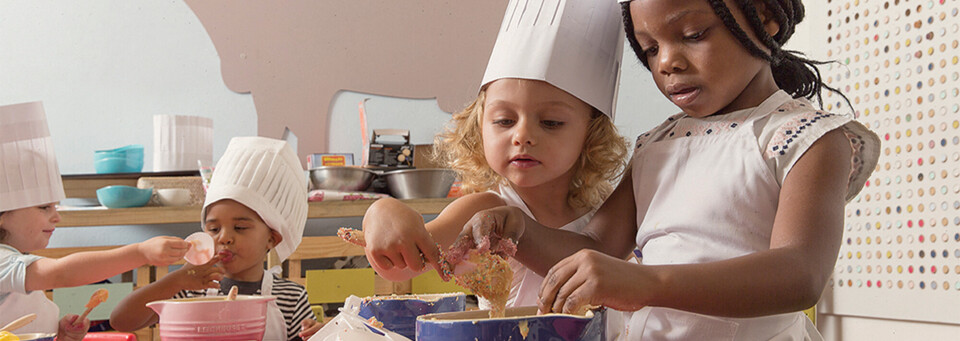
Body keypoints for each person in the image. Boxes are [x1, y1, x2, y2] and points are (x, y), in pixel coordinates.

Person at [456, 0, 882, 339]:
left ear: (765, 15)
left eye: (692, 35)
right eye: (650, 48)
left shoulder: (806, 138)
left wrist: (645, 283)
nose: (667, 63)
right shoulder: (657, 145)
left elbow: (800, 274)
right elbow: (596, 247)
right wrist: (518, 229)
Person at [361, 0, 628, 311]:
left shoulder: (606, 213)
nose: (522, 136)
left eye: (551, 122)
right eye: (504, 120)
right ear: (479, 125)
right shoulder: (484, 210)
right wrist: (380, 214)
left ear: (591, 133)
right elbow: (402, 266)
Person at [0, 101, 189, 340]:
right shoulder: (3, 262)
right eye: (43, 207)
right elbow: (60, 273)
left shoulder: (16, 263)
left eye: (55, 207)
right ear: (2, 216)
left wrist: (61, 333)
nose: (56, 216)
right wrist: (141, 252)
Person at [110, 137, 322, 341]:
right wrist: (177, 279)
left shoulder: (290, 298)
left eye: (240, 227)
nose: (224, 238)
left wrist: (317, 335)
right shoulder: (189, 290)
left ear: (272, 239)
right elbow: (120, 320)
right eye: (213, 228)